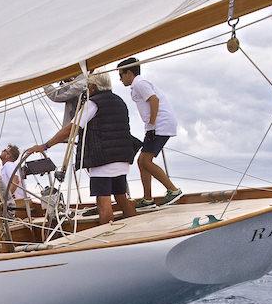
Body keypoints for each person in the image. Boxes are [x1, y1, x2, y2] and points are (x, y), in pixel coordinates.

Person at [28, 72, 137, 224]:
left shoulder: (93, 103)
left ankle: (108, 238)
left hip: (103, 160)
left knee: (103, 200)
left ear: (92, 86)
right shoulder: (119, 101)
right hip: (122, 158)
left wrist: (45, 146)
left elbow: (71, 129)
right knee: (121, 196)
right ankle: (134, 226)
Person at [117, 57, 182, 211]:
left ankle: (173, 190)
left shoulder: (139, 83)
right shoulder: (137, 85)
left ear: (129, 73)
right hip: (156, 126)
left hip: (159, 125)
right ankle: (148, 199)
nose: (120, 79)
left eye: (121, 75)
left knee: (145, 161)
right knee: (142, 161)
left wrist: (152, 125)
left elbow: (154, 100)